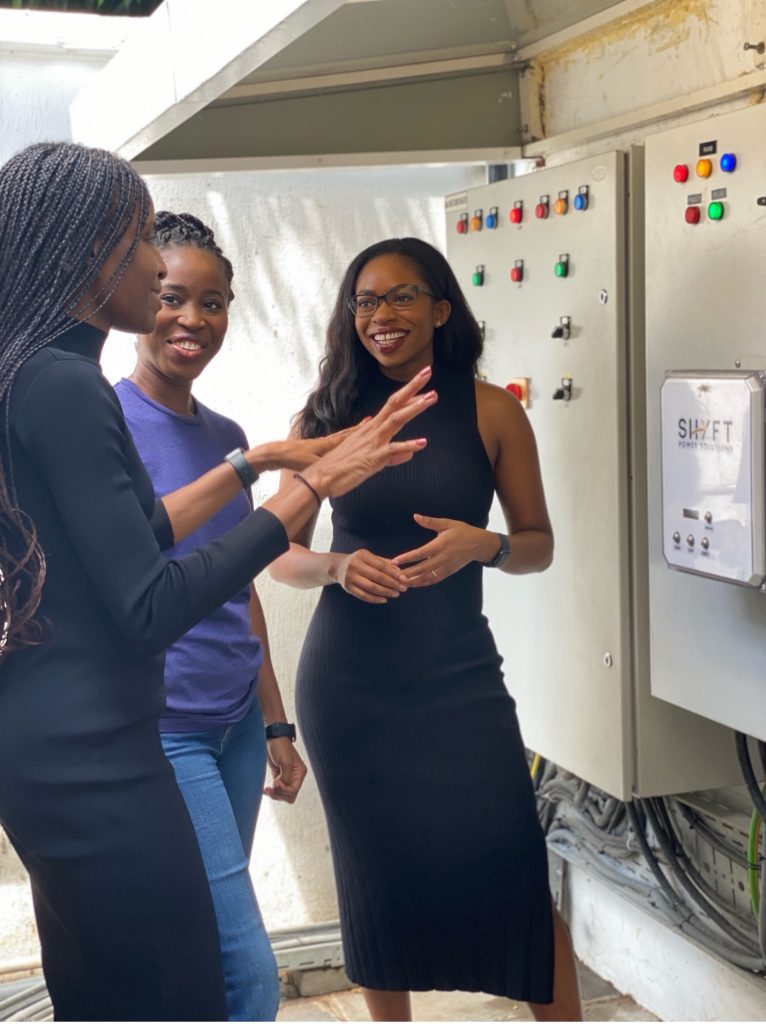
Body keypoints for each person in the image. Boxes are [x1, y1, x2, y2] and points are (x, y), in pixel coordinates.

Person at [0, 146, 436, 1023]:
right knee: (190, 994)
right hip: (92, 757)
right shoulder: (66, 384)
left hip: (58, 744)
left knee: (110, 998)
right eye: (138, 241)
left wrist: (262, 462)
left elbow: (137, 533)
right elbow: (149, 606)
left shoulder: (38, 371)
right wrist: (311, 489)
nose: (155, 266)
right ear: (86, 252)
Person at [269, 237, 583, 1022]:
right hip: (351, 688)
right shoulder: (326, 417)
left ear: (441, 309)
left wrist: (487, 546)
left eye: (401, 296)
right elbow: (279, 554)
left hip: (458, 679)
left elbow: (537, 544)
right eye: (365, 300)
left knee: (515, 870)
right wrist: (337, 567)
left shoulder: (491, 410)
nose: (381, 314)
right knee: (377, 885)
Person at [115, 210, 307, 1021]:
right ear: (137, 300)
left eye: (213, 302)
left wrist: (274, 723)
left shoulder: (226, 435)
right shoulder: (107, 426)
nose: (191, 319)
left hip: (234, 728)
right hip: (166, 731)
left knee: (201, 942)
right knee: (246, 969)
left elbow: (240, 585)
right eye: (170, 297)